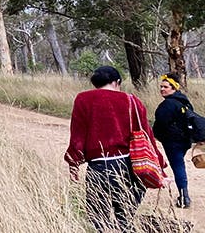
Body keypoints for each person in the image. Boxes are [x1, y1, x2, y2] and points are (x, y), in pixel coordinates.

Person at [65, 65, 166, 232]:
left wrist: (73, 163)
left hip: (98, 168)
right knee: (125, 218)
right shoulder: (131, 100)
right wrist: (159, 167)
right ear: (116, 82)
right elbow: (147, 137)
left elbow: (77, 135)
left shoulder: (83, 99)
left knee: (99, 220)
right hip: (128, 166)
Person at [153, 72, 194, 208]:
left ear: (174, 88)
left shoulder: (168, 105)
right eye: (161, 87)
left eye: (166, 87)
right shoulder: (185, 102)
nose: (162, 89)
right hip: (185, 141)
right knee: (179, 165)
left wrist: (159, 136)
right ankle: (184, 195)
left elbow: (161, 124)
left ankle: (184, 197)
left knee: (178, 167)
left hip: (173, 142)